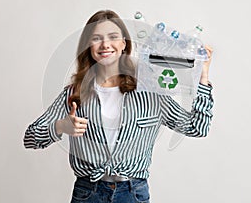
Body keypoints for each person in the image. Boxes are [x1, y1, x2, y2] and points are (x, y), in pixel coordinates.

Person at [23, 10, 214, 203]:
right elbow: (30, 138)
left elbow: (197, 128)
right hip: (88, 193)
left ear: (124, 43)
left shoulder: (150, 91)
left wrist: (203, 79)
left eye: (112, 37)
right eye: (97, 38)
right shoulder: (74, 93)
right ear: (88, 46)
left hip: (133, 194)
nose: (105, 44)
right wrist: (61, 126)